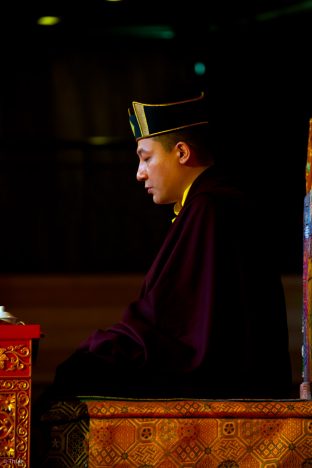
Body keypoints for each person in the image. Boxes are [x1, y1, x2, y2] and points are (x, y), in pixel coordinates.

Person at [44, 92, 292, 399]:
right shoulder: (213, 203)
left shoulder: (210, 209)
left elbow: (176, 326)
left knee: (79, 372)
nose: (140, 173)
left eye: (146, 157)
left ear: (182, 153)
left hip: (219, 381)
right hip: (238, 374)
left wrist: (104, 347)